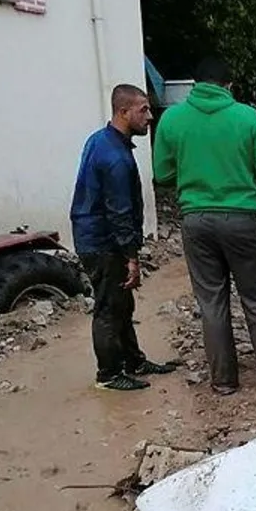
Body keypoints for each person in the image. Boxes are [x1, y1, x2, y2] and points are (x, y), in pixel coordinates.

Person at [152, 56, 256, 395]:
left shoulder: (172, 119)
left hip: (195, 220)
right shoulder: (247, 117)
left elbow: (162, 174)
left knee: (211, 302)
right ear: (229, 85)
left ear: (194, 84)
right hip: (241, 219)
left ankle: (223, 380)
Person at [70, 84, 175, 392]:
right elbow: (119, 212)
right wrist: (131, 257)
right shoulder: (116, 157)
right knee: (108, 307)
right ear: (123, 112)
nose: (150, 116)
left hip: (95, 235)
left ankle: (133, 361)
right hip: (103, 242)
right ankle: (108, 374)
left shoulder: (100, 140)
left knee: (122, 303)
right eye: (144, 110)